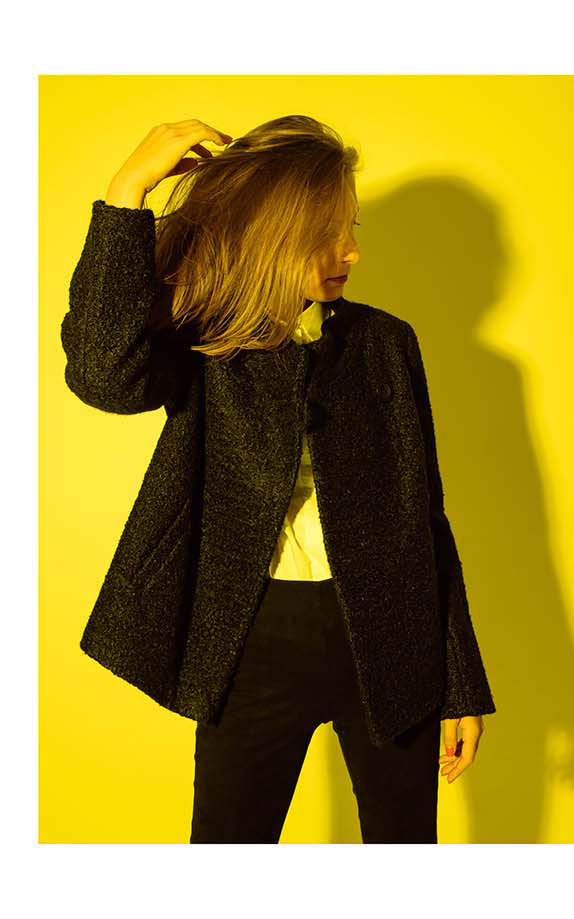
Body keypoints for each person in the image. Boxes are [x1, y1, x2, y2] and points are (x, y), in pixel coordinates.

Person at [61, 115, 496, 844]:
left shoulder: (386, 342)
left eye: (351, 227)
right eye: (326, 233)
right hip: (250, 635)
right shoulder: (206, 342)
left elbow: (426, 518)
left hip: (392, 639)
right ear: (270, 234)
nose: (351, 250)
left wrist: (459, 682)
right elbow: (104, 374)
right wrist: (126, 191)